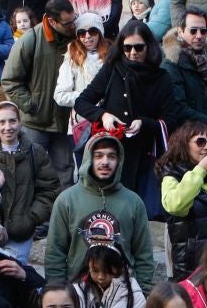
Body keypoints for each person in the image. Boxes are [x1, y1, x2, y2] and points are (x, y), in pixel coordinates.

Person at [74, 20, 191, 216]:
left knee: (136, 213)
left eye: (138, 47)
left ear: (149, 47)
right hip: (112, 153)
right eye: (127, 48)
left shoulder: (161, 77)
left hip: (144, 157)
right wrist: (104, 115)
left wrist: (145, 123)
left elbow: (172, 118)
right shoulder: (112, 69)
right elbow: (82, 102)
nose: (132, 53)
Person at [43, 133, 157, 290]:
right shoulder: (66, 200)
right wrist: (58, 292)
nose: (105, 162)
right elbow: (55, 253)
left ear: (119, 160)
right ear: (89, 159)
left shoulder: (133, 202)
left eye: (111, 156)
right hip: (78, 290)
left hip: (123, 292)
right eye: (99, 156)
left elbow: (143, 254)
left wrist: (143, 292)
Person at [0, 0, 77, 184]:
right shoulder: (31, 39)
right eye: (67, 23)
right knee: (29, 171)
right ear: (52, 21)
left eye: (73, 20)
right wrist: (30, 104)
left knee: (65, 170)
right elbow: (9, 80)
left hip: (63, 120)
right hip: (35, 121)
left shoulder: (76, 39)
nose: (72, 26)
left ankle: (62, 212)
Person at [0, 99, 56, 263]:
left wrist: (31, 217)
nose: (8, 127)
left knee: (15, 274)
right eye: (2, 122)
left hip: (20, 232)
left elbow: (49, 189)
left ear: (20, 122)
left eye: (12, 121)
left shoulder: (36, 152)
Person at [156, 122, 207, 279]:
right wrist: (200, 170)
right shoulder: (172, 174)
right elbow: (175, 206)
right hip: (189, 265)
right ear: (184, 145)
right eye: (200, 141)